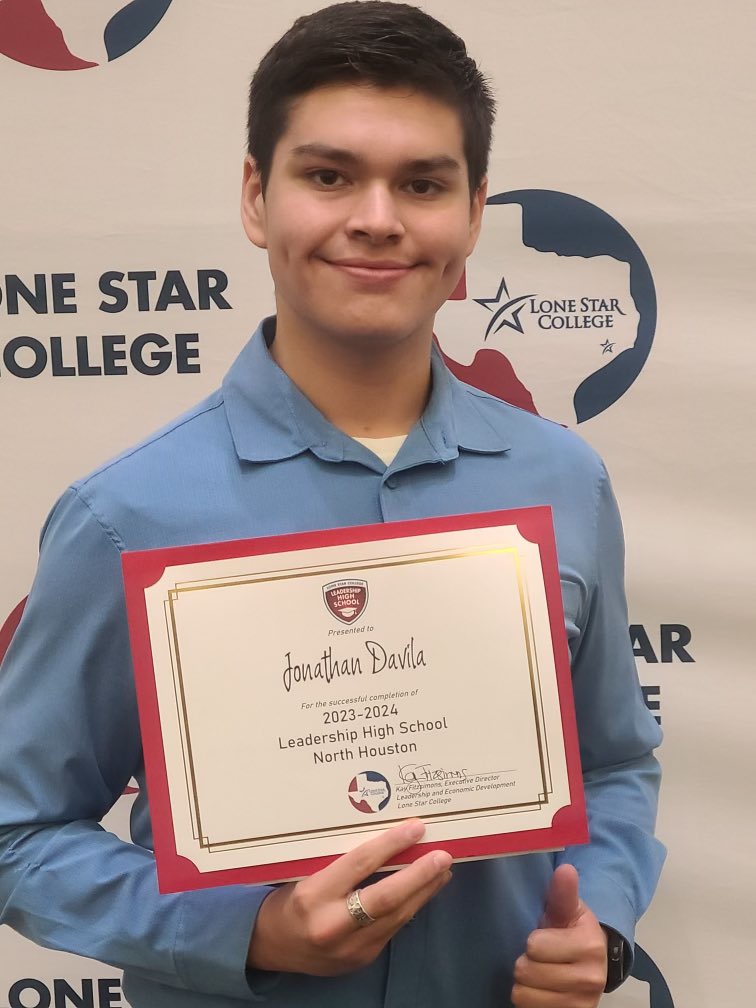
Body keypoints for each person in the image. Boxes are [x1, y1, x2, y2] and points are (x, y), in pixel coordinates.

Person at [0, 3, 665, 1006]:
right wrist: (249, 930)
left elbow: (616, 762)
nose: (378, 217)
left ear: (474, 214)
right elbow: (15, 834)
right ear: (257, 198)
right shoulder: (126, 515)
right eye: (329, 175)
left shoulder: (564, 481)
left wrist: (601, 926)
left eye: (423, 183)